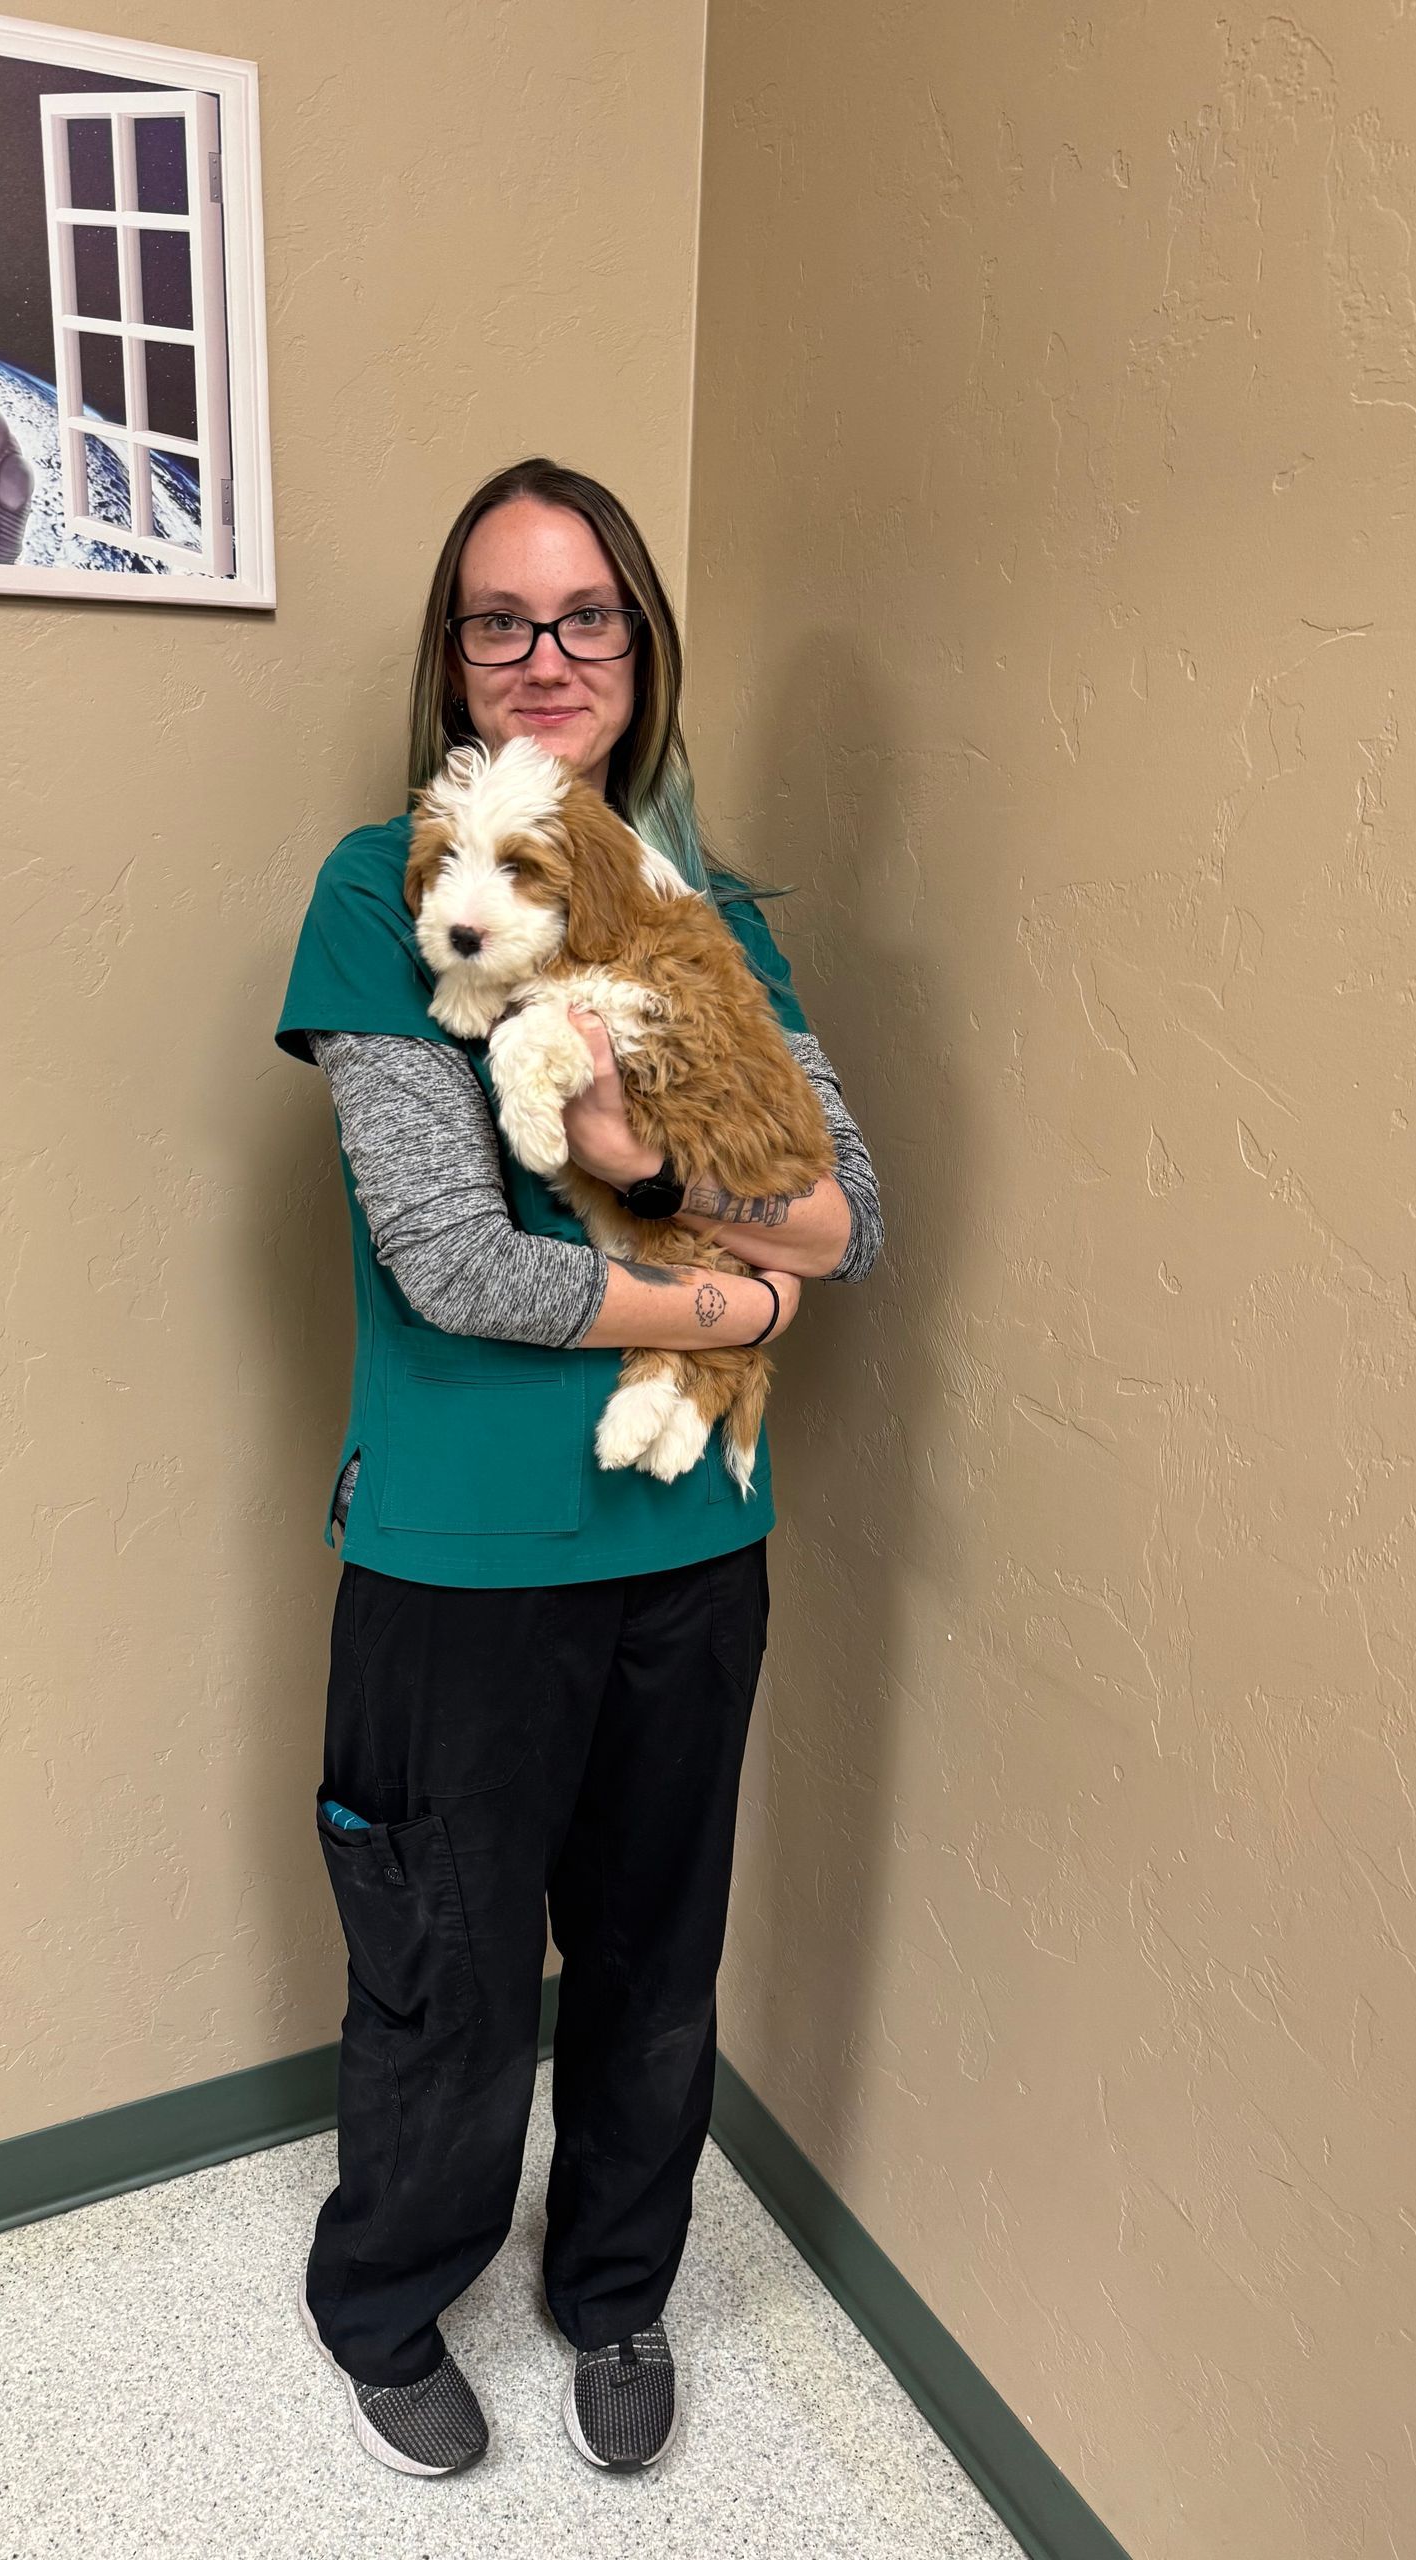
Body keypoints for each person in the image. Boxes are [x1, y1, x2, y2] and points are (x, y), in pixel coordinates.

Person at [272, 456, 883, 2480]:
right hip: (460, 1552)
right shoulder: (384, 891)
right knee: (445, 1976)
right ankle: (391, 2295)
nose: (549, 657)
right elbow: (451, 1263)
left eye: (589, 616)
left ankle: (616, 2281)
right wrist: (733, 1306)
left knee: (652, 1969)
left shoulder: (713, 916)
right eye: (502, 620)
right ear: (451, 660)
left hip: (694, 1547)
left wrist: (644, 1175)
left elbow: (846, 1215)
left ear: (642, 648)